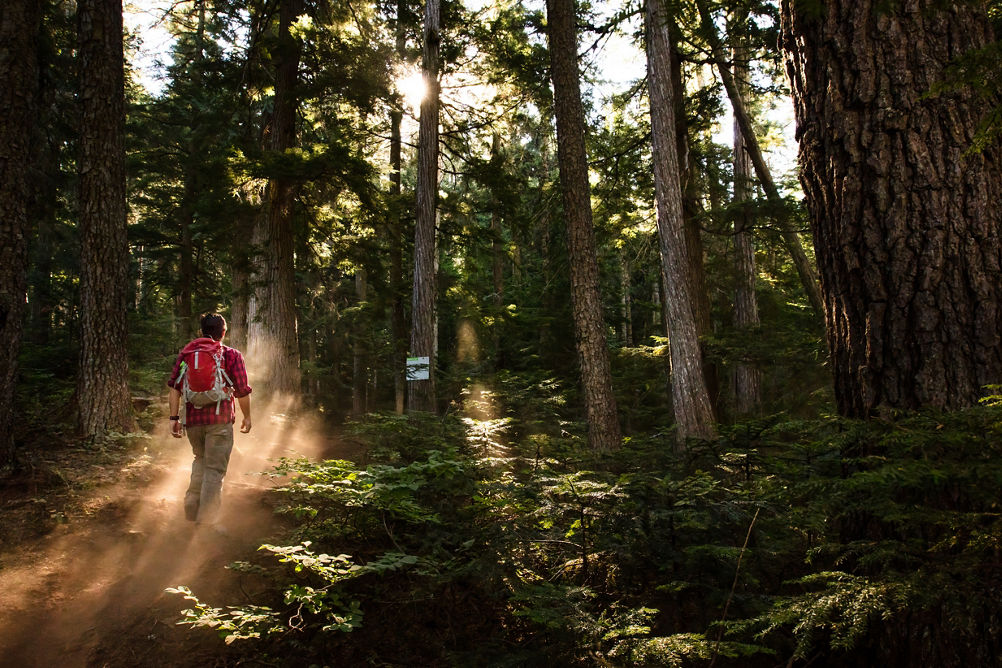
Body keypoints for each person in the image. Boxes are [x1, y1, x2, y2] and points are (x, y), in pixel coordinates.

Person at [167, 312, 252, 527]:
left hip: (193, 420)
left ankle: (192, 503)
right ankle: (206, 523)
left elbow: (174, 388)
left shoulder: (187, 354)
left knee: (200, 459)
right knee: (214, 469)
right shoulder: (231, 355)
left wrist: (173, 418)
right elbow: (242, 389)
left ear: (201, 332)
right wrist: (247, 417)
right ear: (224, 332)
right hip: (219, 420)